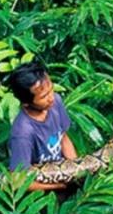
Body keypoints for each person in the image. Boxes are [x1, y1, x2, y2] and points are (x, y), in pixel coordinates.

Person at [8, 61, 77, 191]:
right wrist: (58, 187)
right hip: (40, 191)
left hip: (61, 173)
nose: (51, 97)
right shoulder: (22, 133)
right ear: (26, 103)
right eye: (44, 96)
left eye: (51, 89)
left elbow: (63, 138)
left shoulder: (55, 102)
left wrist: (76, 169)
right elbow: (18, 181)